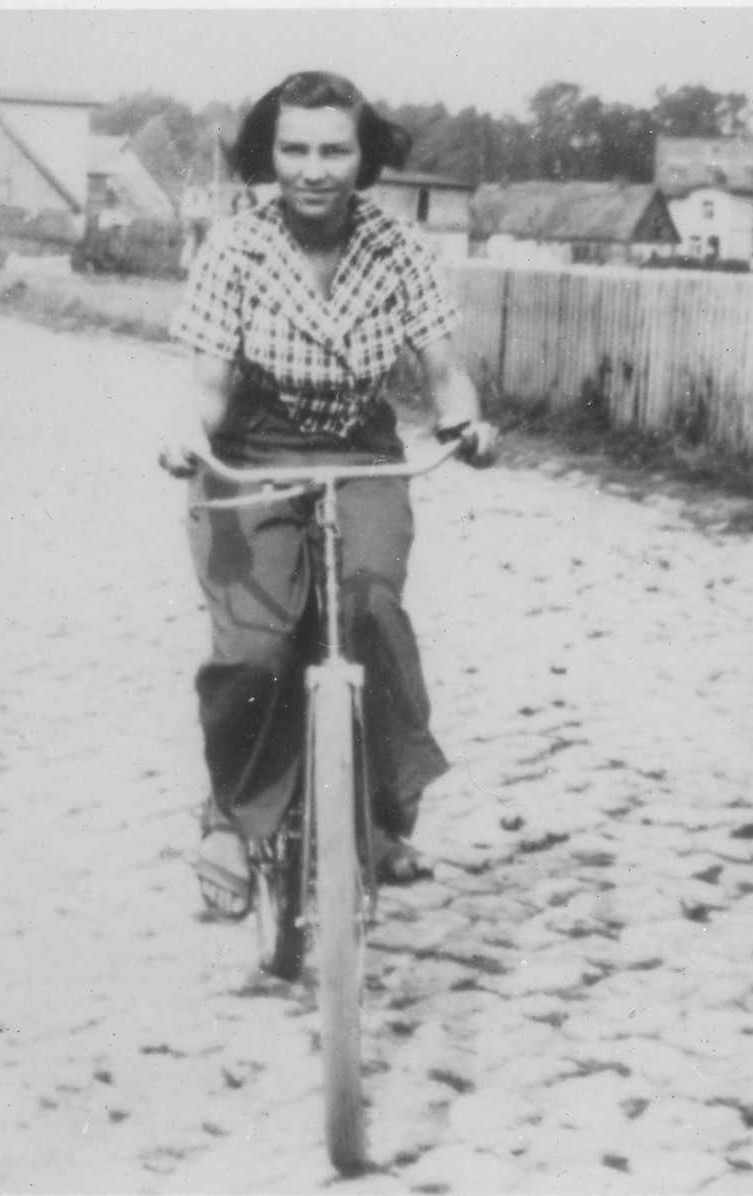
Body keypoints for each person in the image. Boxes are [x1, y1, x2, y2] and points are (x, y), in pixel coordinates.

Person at [158, 71, 497, 917]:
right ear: (269, 154)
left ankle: (376, 813)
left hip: (360, 456)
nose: (313, 169)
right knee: (256, 647)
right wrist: (189, 436)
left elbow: (446, 376)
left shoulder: (401, 249)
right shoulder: (234, 247)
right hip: (249, 455)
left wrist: (467, 424)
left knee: (371, 612)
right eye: (294, 149)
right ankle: (232, 818)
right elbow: (208, 385)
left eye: (334, 149)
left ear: (364, 155)